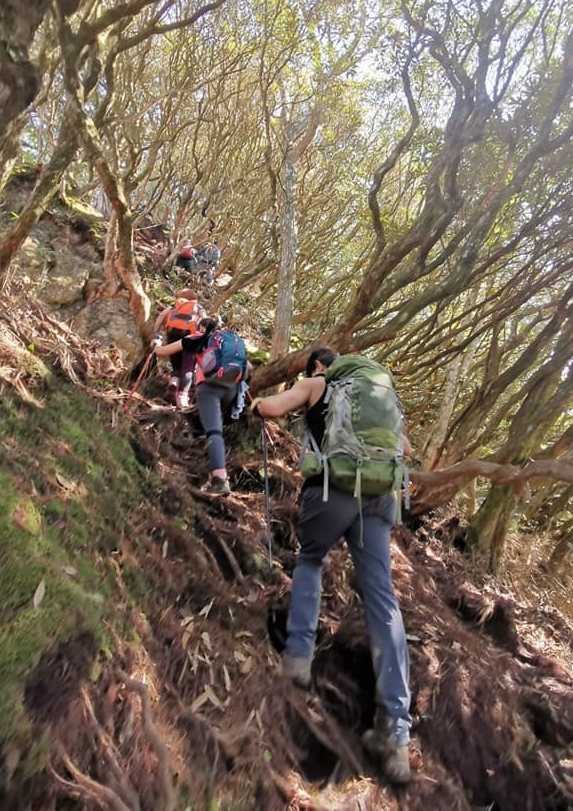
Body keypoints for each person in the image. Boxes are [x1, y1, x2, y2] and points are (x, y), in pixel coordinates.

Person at [250, 348, 413, 784]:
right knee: (383, 601)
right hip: (379, 500)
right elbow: (404, 447)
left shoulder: (318, 384)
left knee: (310, 562)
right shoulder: (379, 396)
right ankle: (395, 735)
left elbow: (272, 407)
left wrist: (255, 404)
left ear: (319, 366)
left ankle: (299, 659)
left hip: (330, 492)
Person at [154, 315, 247, 495]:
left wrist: (155, 341)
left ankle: (220, 479)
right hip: (232, 390)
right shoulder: (231, 342)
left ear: (202, 327)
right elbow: (248, 367)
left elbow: (162, 351)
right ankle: (207, 459)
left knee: (214, 431)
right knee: (216, 425)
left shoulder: (198, 337)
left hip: (209, 389)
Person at [152, 289, 204, 409]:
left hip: (172, 335)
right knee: (188, 367)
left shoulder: (174, 306)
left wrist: (156, 335)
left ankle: (174, 380)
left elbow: (161, 317)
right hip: (189, 338)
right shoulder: (198, 308)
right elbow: (204, 323)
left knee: (176, 363)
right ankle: (182, 396)